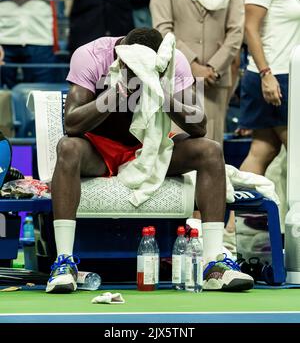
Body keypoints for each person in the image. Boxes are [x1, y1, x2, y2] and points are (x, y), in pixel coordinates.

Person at [46, 27, 253, 293]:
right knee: (68, 147)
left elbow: (199, 126)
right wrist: (114, 95)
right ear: (121, 58)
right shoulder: (90, 55)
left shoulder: (172, 60)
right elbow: (72, 124)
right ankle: (64, 262)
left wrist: (160, 92)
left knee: (210, 150)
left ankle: (213, 263)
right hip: (100, 149)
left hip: (152, 149)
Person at [150, 0, 244, 144]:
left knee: (212, 146)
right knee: (177, 146)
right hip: (178, 75)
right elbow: (162, 27)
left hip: (215, 78)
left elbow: (236, 29)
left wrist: (212, 67)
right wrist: (191, 64)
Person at [239, 0, 300, 176]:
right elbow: (250, 29)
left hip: (282, 73)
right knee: (295, 151)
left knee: (263, 150)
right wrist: (267, 75)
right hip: (274, 76)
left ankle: (230, 219)